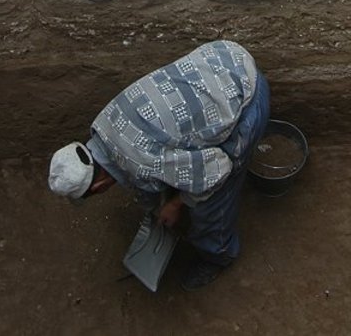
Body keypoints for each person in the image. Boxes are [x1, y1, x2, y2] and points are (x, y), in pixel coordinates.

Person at [48, 39, 270, 291]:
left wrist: (176, 204)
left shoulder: (141, 162)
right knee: (176, 170)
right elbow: (151, 159)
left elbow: (217, 170)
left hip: (249, 97)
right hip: (224, 55)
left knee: (212, 203)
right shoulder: (104, 121)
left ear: (98, 186)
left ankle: (219, 255)